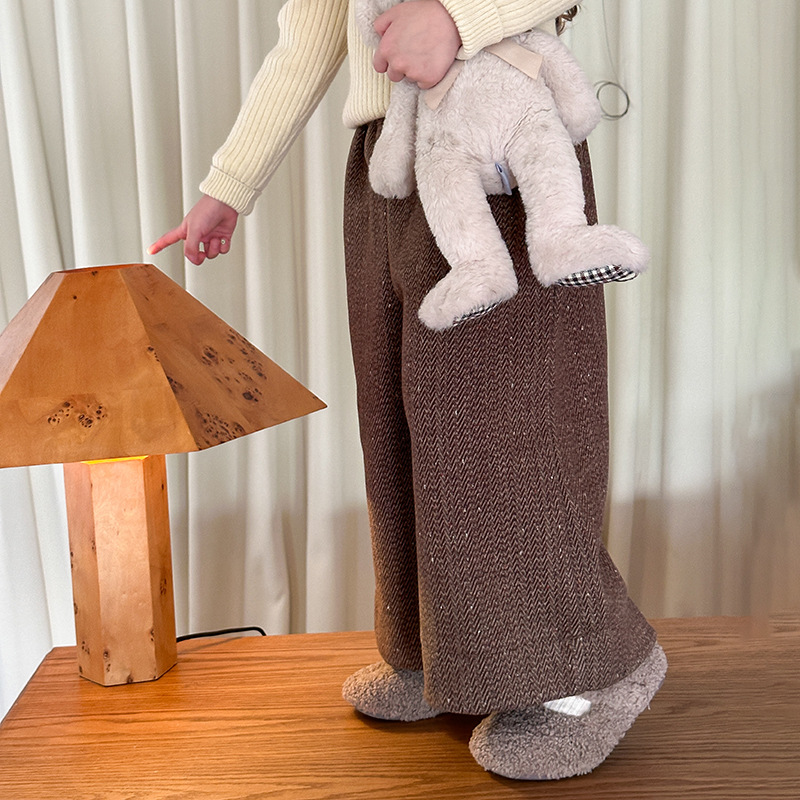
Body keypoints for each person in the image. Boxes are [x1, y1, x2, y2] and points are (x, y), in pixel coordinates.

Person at [150, 0, 666, 781]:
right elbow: (309, 40)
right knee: (400, 420)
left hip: (500, 137)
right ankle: (438, 655)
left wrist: (461, 19)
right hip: (386, 155)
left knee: (502, 423)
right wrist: (230, 185)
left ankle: (593, 670)